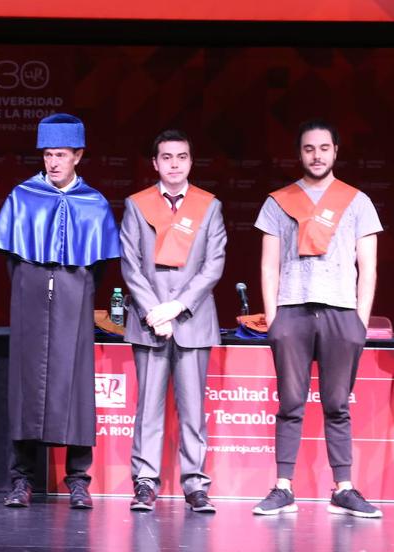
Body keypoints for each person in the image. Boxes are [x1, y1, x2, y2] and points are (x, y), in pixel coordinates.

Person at [0, 113, 120, 509]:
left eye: (61, 154)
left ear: (78, 155)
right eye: (48, 155)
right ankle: (21, 478)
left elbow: (99, 264)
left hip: (74, 294)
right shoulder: (24, 195)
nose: (54, 162)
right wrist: (33, 282)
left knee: (75, 383)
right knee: (26, 385)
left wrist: (71, 286)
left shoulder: (92, 202)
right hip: (29, 294)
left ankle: (78, 479)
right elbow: (10, 258)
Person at [251, 119, 383, 518]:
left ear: (336, 151)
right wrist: (274, 317)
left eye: (324, 148)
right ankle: (283, 487)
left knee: (337, 404)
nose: (317, 155)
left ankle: (344, 488)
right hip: (292, 310)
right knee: (290, 402)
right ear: (300, 153)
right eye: (309, 149)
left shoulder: (356, 201)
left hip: (342, 313)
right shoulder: (278, 201)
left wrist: (360, 319)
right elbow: (269, 265)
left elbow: (369, 267)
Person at [120, 130, 226, 513]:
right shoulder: (137, 205)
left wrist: (177, 306)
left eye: (182, 157)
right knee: (148, 407)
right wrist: (154, 311)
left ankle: (195, 484)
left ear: (191, 162)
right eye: (167, 157)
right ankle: (145, 482)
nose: (175, 164)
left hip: (191, 321)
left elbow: (214, 265)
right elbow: (130, 265)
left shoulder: (208, 206)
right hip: (150, 323)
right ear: (155, 163)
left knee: (193, 410)